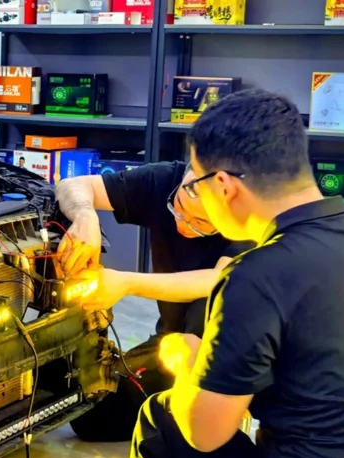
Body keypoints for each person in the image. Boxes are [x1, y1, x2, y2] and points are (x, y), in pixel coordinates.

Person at [121, 89, 344, 458]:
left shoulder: (256, 275)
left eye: (196, 184)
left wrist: (189, 359)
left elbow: (206, 434)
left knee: (164, 419)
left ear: (223, 186)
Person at [54, 151, 252, 441]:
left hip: (222, 353)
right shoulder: (164, 180)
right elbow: (72, 185)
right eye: (178, 208)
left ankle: (219, 407)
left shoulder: (250, 215)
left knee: (197, 439)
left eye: (200, 223)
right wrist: (85, 216)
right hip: (170, 342)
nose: (182, 224)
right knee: (93, 418)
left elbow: (216, 280)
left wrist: (126, 283)